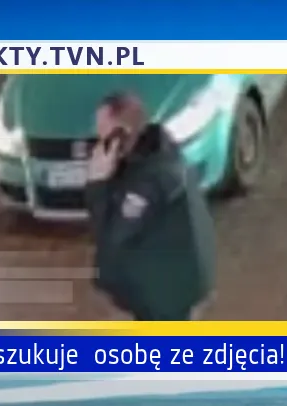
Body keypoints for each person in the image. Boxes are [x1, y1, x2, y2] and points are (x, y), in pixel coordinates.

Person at [85, 90, 216, 321]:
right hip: (162, 283)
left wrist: (97, 183)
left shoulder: (151, 180)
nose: (99, 142)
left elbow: (112, 235)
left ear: (121, 135)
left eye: (104, 136)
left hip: (167, 299)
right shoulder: (152, 151)